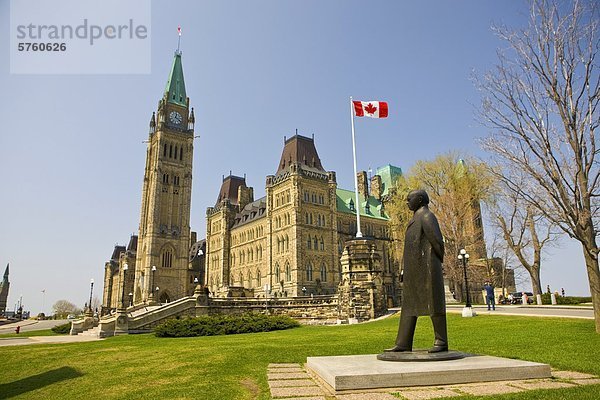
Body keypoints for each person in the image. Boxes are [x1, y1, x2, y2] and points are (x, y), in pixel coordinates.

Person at [385, 190, 447, 353]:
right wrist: (405, 268)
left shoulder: (427, 216)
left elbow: (437, 242)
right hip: (414, 269)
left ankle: (441, 341)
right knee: (408, 307)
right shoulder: (415, 218)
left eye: (409, 199)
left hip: (426, 267)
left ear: (419, 200)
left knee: (434, 304)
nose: (407, 202)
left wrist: (433, 262)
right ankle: (403, 343)